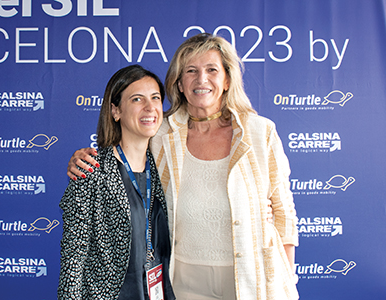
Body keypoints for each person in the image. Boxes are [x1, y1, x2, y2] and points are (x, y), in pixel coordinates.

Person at [67, 33, 299, 300]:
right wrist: (82, 159)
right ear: (178, 84)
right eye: (191, 71)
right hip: (184, 281)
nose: (202, 80)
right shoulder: (160, 132)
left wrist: (286, 276)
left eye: (212, 70)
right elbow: (123, 152)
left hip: (253, 277)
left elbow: (283, 213)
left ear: (227, 80)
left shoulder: (260, 132)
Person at [58, 65, 175, 300]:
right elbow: (73, 259)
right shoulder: (91, 170)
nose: (150, 107)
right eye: (137, 99)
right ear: (115, 111)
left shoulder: (167, 169)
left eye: (155, 98)